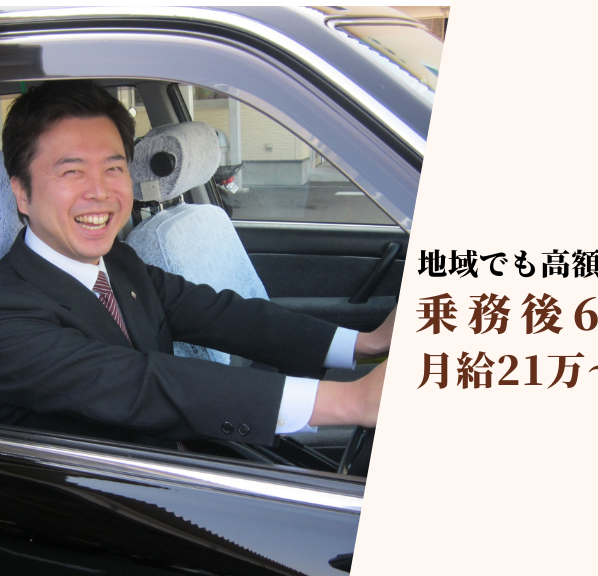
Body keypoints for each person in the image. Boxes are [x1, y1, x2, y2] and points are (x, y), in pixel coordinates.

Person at [0, 80, 393, 446]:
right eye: (72, 171)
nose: (100, 191)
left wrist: (365, 344)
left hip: (181, 458)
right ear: (22, 193)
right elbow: (144, 385)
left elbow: (221, 315)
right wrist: (351, 400)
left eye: (113, 168)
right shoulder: (8, 310)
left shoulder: (118, 261)